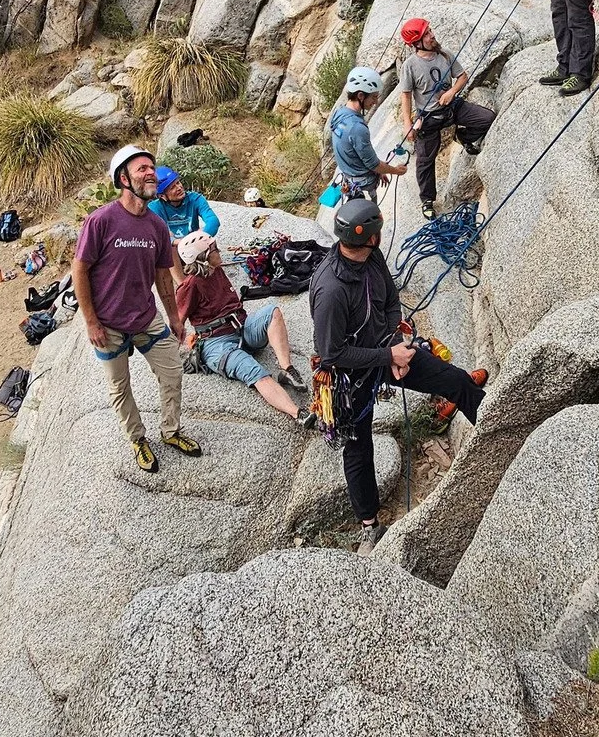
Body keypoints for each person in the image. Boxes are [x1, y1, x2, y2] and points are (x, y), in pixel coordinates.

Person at [308, 199, 489, 555]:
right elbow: (332, 353)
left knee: (455, 380)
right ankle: (370, 526)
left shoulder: (370, 258)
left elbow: (391, 301)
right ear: (370, 237)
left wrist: (395, 344)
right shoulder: (330, 289)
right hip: (350, 376)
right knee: (358, 448)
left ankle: (497, 427)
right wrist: (387, 355)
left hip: (388, 352)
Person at [72, 145, 203, 474]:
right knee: (120, 387)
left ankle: (171, 431)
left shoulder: (157, 227)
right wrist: (90, 322)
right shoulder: (101, 221)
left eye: (152, 168)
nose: (151, 173)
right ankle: (138, 439)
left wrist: (175, 317)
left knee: (172, 372)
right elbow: (80, 270)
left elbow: (162, 274)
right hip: (108, 324)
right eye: (143, 168)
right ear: (123, 178)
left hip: (146, 317)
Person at [175, 231, 317, 429]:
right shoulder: (189, 287)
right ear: (203, 257)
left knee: (272, 312)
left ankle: (286, 370)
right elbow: (177, 322)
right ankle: (297, 413)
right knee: (255, 371)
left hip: (241, 327)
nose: (219, 251)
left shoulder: (216, 270)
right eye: (214, 249)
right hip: (217, 344)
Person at [398, 18, 495, 220]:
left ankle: (463, 136)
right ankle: (427, 200)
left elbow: (462, 76)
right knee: (425, 161)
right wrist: (408, 123)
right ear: (416, 43)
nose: (432, 35)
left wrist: (451, 92)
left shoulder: (444, 54)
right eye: (426, 34)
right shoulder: (410, 66)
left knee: (487, 118)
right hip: (429, 117)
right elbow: (406, 94)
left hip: (451, 107)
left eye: (430, 31)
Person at [329, 66, 407, 203]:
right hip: (363, 185)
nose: (375, 102)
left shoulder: (339, 114)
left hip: (348, 178)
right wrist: (395, 170)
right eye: (374, 97)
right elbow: (373, 164)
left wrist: (379, 170)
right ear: (360, 96)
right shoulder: (357, 128)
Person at [150, 167, 221, 282]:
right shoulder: (155, 208)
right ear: (162, 196)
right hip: (175, 250)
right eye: (172, 187)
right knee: (169, 247)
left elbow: (213, 221)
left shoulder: (195, 199)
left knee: (211, 241)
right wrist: (178, 242)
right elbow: (157, 235)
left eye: (178, 182)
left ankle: (218, 281)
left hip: (195, 245)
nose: (179, 187)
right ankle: (183, 286)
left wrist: (199, 236)